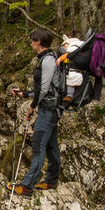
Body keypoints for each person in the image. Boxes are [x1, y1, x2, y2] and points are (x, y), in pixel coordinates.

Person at [7, 28, 61, 197]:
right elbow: (43, 89)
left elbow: (44, 89)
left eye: (32, 41)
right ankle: (51, 180)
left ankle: (27, 186)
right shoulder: (48, 59)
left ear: (38, 41)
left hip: (48, 110)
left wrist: (32, 106)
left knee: (38, 146)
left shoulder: (47, 60)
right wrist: (25, 94)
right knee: (51, 146)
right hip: (51, 108)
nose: (30, 43)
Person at [58, 35, 84, 101]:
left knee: (70, 82)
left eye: (64, 45)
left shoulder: (73, 47)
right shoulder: (80, 48)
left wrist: (60, 59)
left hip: (74, 72)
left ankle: (69, 96)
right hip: (78, 70)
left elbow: (67, 55)